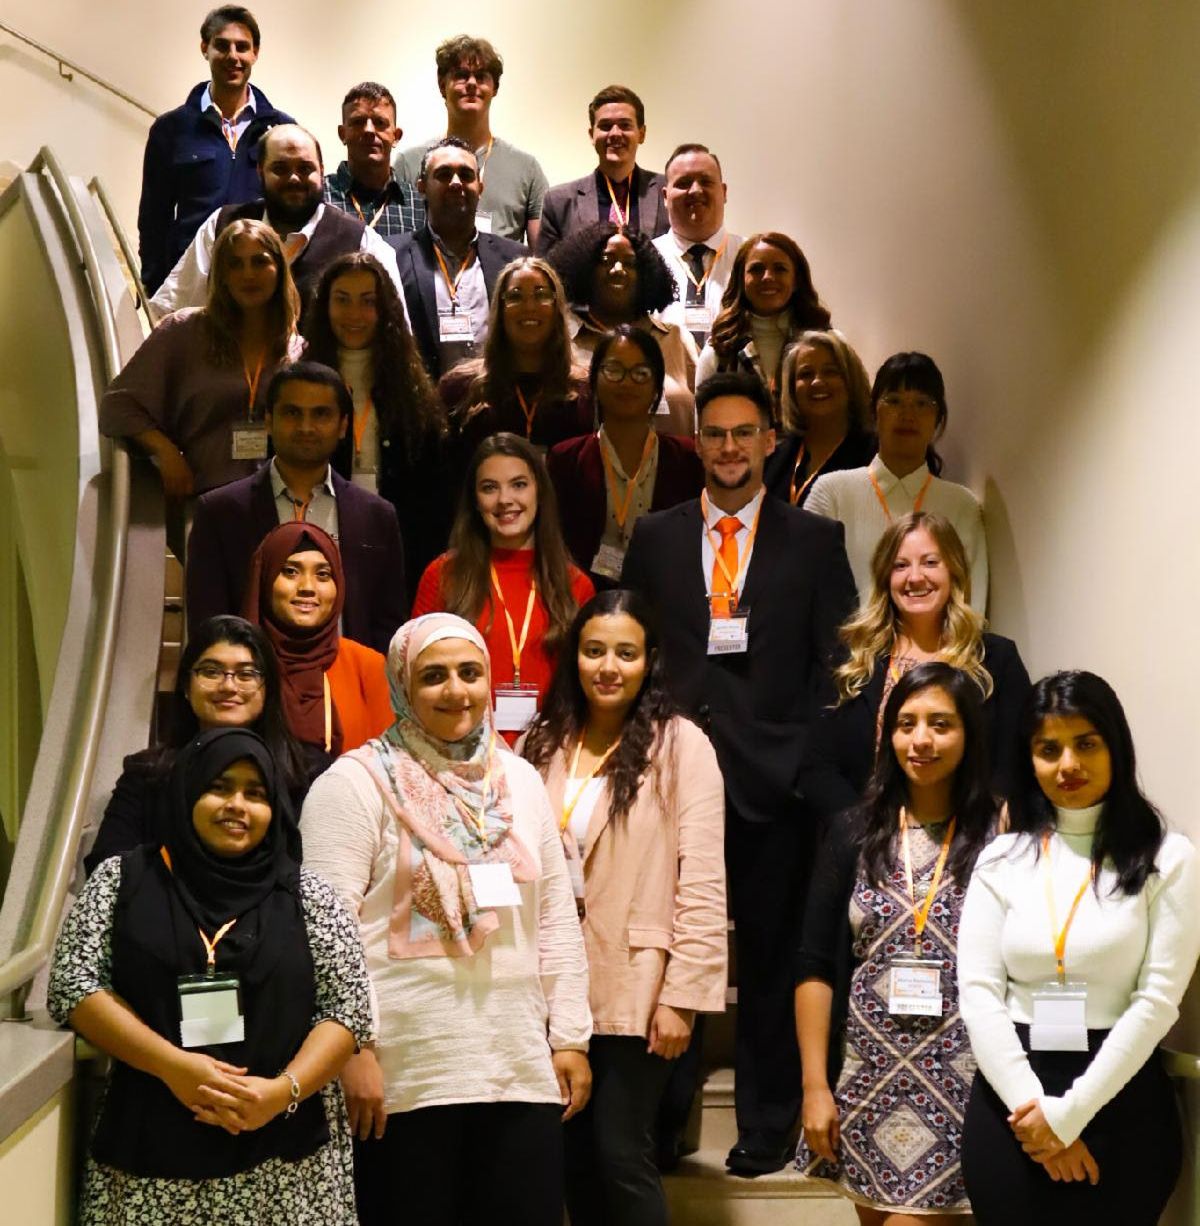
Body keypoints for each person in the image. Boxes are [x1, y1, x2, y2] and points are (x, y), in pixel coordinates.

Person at [621, 371, 857, 1175]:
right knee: (670, 955)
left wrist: (802, 763)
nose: (728, 447)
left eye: (743, 433)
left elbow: (838, 664)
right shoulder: (655, 537)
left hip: (773, 787)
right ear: (698, 445)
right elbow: (633, 650)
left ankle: (766, 1121)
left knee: (768, 959)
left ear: (768, 441)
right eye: (715, 434)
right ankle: (664, 1122)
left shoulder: (814, 540)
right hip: (671, 781)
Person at [299, 613, 592, 1226]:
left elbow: (555, 920)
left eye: (470, 673)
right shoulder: (354, 783)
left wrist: (569, 1037)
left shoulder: (520, 781)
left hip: (515, 1067)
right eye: (433, 676)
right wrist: (352, 1051)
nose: (456, 691)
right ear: (402, 685)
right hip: (404, 1077)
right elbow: (325, 934)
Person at [50, 727, 373, 1223]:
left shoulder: (309, 895)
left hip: (287, 1166)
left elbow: (347, 1007)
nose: (237, 805)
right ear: (186, 792)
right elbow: (74, 984)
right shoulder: (122, 881)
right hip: (151, 1159)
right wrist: (173, 1066)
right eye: (219, 787)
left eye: (255, 793)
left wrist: (280, 1093)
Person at [958, 671, 1200, 1224]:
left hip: (1122, 1099)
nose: (1068, 764)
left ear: (1116, 747)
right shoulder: (1001, 859)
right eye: (1049, 749)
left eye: (1086, 744)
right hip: (1012, 1103)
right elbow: (979, 994)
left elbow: (1158, 1000)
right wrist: (1039, 1119)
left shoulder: (1169, 857)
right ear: (1030, 760)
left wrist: (1068, 1117)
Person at [522, 589, 727, 1226]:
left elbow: (703, 881)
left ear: (649, 662)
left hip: (638, 986)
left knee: (620, 1153)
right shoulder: (542, 741)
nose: (608, 667)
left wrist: (683, 996)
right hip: (551, 983)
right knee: (571, 1156)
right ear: (574, 658)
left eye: (625, 653)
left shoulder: (683, 746)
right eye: (594, 651)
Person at [795, 662, 999, 1220]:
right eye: (907, 724)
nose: (921, 740)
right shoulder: (853, 831)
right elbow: (815, 965)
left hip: (966, 1080)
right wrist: (815, 1086)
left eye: (940, 724)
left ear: (969, 734)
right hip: (868, 1076)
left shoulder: (999, 837)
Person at [801, 512, 1030, 822]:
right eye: (900, 565)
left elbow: (1014, 765)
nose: (915, 577)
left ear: (954, 570)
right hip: (866, 836)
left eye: (930, 562)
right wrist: (864, 831)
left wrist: (978, 833)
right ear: (885, 576)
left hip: (972, 839)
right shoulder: (851, 659)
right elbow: (817, 766)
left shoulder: (997, 660)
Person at [186, 360, 409, 653]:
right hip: (255, 676)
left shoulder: (376, 516)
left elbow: (387, 623)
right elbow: (207, 621)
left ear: (343, 426)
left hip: (347, 676)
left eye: (321, 414)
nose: (306, 427)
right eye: (292, 413)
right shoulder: (221, 512)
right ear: (269, 421)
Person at [83, 615, 310, 875]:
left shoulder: (305, 772)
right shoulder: (146, 773)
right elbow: (106, 868)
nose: (228, 686)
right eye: (211, 672)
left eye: (246, 674)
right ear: (186, 686)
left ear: (268, 689)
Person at [100, 217, 302, 497]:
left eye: (260, 262)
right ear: (221, 274)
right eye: (235, 264)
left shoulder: (296, 348)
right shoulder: (184, 330)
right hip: (200, 500)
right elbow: (117, 407)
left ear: (279, 269)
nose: (248, 274)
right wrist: (166, 452)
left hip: (277, 503)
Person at [412, 434, 594, 743]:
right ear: (475, 501)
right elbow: (414, 675)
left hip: (550, 751)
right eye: (489, 488)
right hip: (459, 750)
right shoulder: (443, 575)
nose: (504, 499)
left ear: (540, 491)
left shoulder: (575, 585)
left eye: (518, 484)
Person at [151, 123, 407, 319]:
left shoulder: (361, 241)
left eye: (305, 169)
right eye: (280, 169)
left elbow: (396, 333)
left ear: (321, 171)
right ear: (260, 172)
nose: (294, 178)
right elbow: (168, 312)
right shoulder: (222, 225)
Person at [301, 253, 451, 581]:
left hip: (397, 549)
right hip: (318, 547)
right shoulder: (303, 380)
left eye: (367, 301)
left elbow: (431, 496)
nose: (354, 313)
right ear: (325, 306)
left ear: (385, 309)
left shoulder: (411, 387)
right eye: (342, 300)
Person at [806, 352, 989, 612]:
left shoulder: (960, 505)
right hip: (846, 639)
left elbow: (971, 608)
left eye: (922, 403)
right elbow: (806, 592)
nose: (907, 414)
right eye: (894, 401)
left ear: (938, 418)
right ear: (874, 412)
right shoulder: (831, 493)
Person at [137, 6, 294, 295]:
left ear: (255, 53)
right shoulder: (170, 129)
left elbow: (292, 212)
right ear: (205, 48)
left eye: (242, 47)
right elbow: (153, 219)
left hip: (258, 284)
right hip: (191, 283)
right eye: (222, 46)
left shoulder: (282, 130)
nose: (233, 56)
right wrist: (155, 284)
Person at [547, 326, 703, 586]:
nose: (627, 382)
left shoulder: (688, 459)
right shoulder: (565, 459)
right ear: (594, 381)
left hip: (666, 597)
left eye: (641, 373)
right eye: (614, 370)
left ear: (657, 386)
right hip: (585, 598)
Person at [243, 522, 392, 763]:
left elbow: (388, 763)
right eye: (290, 571)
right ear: (265, 577)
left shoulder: (366, 665)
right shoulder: (242, 662)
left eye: (323, 574)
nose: (307, 588)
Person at [387, 137, 528, 380]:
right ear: (421, 187)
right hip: (422, 399)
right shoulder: (392, 256)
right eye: (443, 175)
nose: (455, 183)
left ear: (480, 188)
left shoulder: (514, 258)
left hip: (496, 398)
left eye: (466, 175)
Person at [394, 35, 549, 245]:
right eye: (461, 75)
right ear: (442, 85)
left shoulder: (526, 169)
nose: (472, 83)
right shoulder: (409, 163)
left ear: (495, 88)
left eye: (481, 76)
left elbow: (541, 256)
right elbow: (397, 245)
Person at [549, 222, 694, 436]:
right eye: (606, 261)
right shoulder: (563, 341)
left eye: (630, 263)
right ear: (586, 270)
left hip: (675, 457)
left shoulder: (676, 339)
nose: (618, 270)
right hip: (587, 456)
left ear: (646, 273)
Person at [441, 256, 593, 460]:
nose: (529, 307)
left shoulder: (587, 390)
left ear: (557, 308)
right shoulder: (460, 389)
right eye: (515, 296)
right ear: (500, 310)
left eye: (541, 295)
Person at [696, 233, 832, 418]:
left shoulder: (826, 345)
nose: (767, 277)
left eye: (780, 269)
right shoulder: (718, 352)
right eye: (756, 269)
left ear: (796, 281)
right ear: (741, 280)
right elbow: (704, 429)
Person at [537, 85, 669, 253]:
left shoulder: (668, 191)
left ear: (641, 134)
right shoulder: (558, 202)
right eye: (605, 126)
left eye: (625, 125)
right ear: (591, 135)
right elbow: (545, 267)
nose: (615, 133)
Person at [763, 329, 875, 507]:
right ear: (791, 388)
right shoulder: (773, 461)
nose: (817, 382)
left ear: (851, 380)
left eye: (830, 372)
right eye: (806, 374)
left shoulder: (875, 458)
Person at [652, 144, 742, 355]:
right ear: (665, 196)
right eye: (683, 183)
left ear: (724, 192)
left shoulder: (750, 258)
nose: (695, 190)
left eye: (706, 181)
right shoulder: (644, 259)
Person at [323, 82, 422, 237]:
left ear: (396, 136)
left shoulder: (419, 204)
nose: (369, 130)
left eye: (380, 122)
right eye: (358, 122)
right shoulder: (318, 198)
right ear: (342, 134)